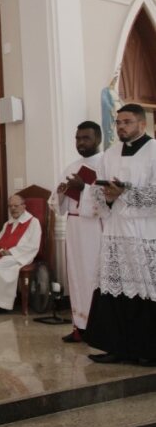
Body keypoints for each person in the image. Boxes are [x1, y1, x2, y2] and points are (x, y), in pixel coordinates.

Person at [84, 104, 156, 366]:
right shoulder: (110, 154)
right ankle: (116, 347)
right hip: (116, 230)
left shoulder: (154, 150)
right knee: (114, 288)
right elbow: (97, 189)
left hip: (144, 231)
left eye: (127, 122)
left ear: (142, 124)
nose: (121, 127)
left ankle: (148, 350)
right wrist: (107, 195)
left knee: (145, 289)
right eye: (118, 122)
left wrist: (124, 193)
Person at [53, 121, 103, 342]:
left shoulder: (106, 164)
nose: (81, 143)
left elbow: (108, 200)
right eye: (78, 138)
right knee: (75, 275)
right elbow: (57, 203)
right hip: (74, 226)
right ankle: (79, 326)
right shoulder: (71, 167)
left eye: (86, 138)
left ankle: (98, 328)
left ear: (98, 139)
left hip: (95, 227)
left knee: (94, 276)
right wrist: (61, 192)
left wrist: (84, 188)